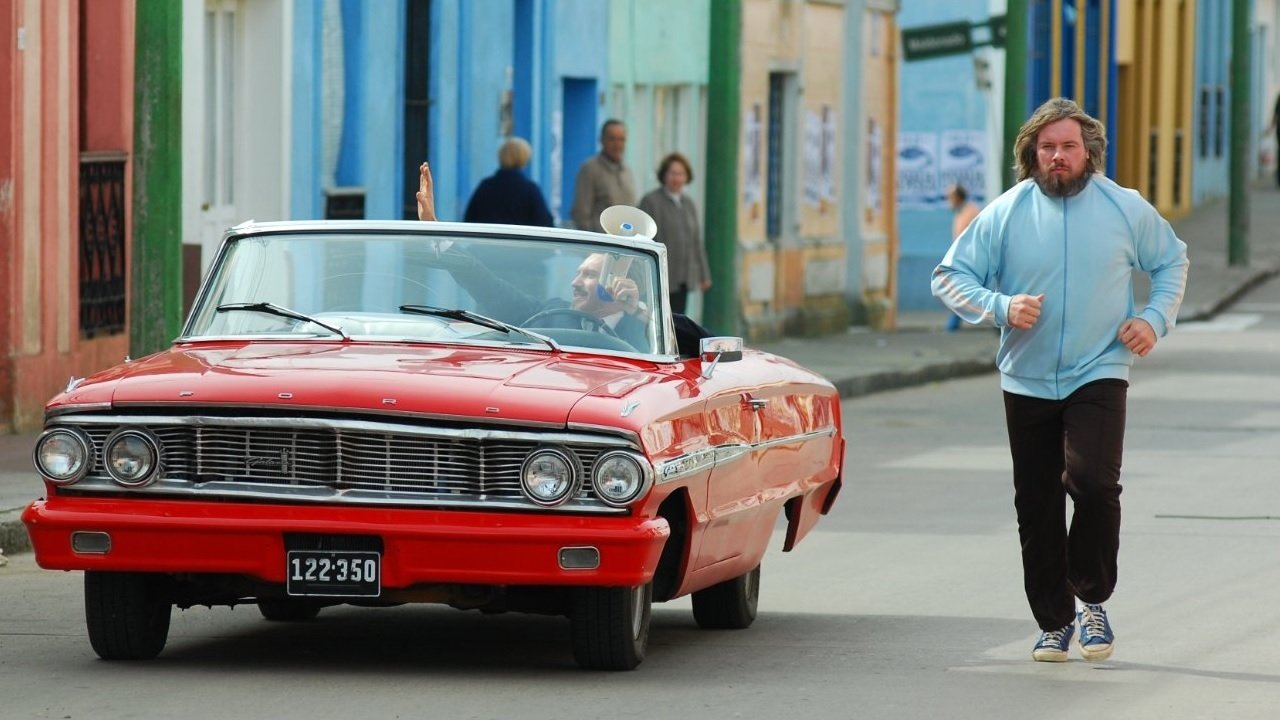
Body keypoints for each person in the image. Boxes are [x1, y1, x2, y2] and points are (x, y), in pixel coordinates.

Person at [930, 98, 1189, 664]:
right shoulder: (1006, 211)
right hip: (1025, 376)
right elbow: (950, 276)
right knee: (1037, 502)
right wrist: (1000, 306)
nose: (1058, 157)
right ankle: (1053, 621)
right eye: (1047, 148)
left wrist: (1152, 319)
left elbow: (1171, 260)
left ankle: (1091, 599)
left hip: (1099, 367)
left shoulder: (1124, 208)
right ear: (1031, 154)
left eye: (1068, 147)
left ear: (1089, 151)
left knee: (1094, 484)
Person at [417, 161, 650, 351]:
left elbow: (683, 335)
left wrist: (639, 312)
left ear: (616, 279)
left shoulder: (647, 325)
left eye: (588, 275)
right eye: (578, 273)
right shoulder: (551, 312)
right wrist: (436, 231)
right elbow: (488, 286)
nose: (574, 282)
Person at [639, 152, 712, 314]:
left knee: (678, 320)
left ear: (686, 177)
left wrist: (703, 274)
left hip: (683, 277)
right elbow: (642, 237)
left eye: (681, 174)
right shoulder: (651, 201)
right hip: (659, 275)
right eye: (672, 173)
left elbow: (695, 242)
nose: (676, 178)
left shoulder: (688, 204)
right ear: (664, 175)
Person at [463, 137, 553, 226]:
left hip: (488, 240)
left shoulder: (485, 186)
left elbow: (469, 220)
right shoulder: (530, 190)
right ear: (524, 159)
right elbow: (545, 224)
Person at [570, 119, 636, 232]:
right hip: (601, 245)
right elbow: (581, 214)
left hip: (625, 245)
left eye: (621, 140)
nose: (617, 144)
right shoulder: (590, 169)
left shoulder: (627, 171)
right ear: (602, 140)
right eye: (612, 139)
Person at [943, 183, 981, 332]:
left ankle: (953, 324)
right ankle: (954, 322)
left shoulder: (970, 211)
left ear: (958, 198)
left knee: (962, 289)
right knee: (962, 290)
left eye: (951, 197)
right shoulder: (960, 212)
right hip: (963, 259)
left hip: (972, 259)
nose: (949, 201)